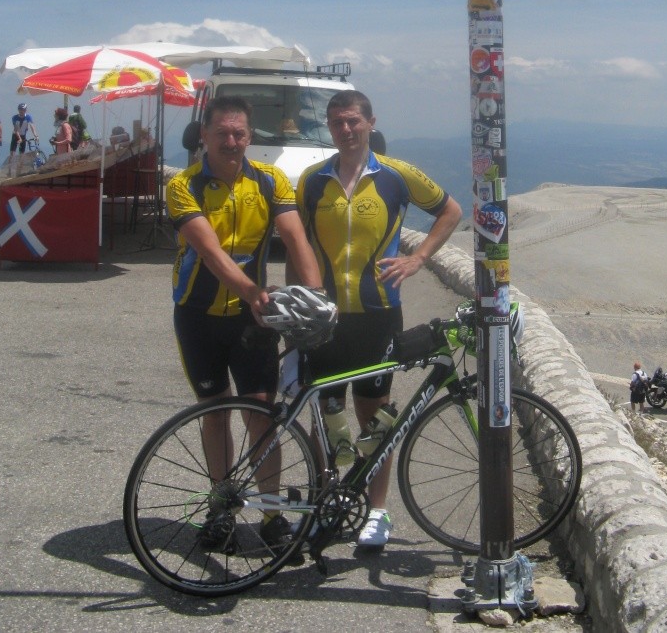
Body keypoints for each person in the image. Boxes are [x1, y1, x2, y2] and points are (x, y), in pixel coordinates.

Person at [294, 90, 462, 548]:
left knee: (375, 416)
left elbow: (451, 211)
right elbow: (299, 244)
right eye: (336, 123)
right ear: (329, 128)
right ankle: (326, 501)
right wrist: (298, 302)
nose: (345, 130)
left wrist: (418, 259)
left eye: (352, 121)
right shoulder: (311, 180)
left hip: (377, 314)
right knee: (325, 414)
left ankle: (378, 510)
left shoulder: (395, 175)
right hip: (325, 317)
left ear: (370, 122)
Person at [165, 94, 324, 553]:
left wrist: (313, 299)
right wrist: (255, 292)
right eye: (221, 134)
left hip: (250, 322)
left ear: (250, 137)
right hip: (198, 316)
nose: (231, 142)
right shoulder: (184, 185)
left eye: (239, 134)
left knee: (261, 416)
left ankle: (272, 514)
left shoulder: (270, 180)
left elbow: (295, 237)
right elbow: (211, 253)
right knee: (215, 413)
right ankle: (221, 509)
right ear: (204, 137)